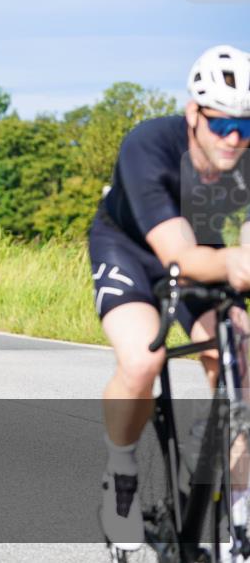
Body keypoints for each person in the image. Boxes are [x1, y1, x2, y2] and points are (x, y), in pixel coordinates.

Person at [91, 45, 250, 551]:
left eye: (246, 128)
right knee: (142, 359)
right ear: (193, 114)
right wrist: (235, 263)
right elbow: (176, 254)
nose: (233, 139)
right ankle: (120, 474)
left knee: (240, 363)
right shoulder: (149, 145)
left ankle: (239, 509)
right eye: (222, 124)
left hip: (201, 249)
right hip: (133, 249)